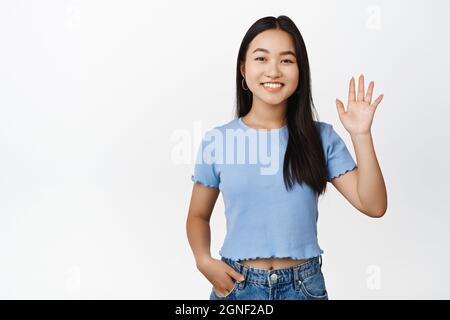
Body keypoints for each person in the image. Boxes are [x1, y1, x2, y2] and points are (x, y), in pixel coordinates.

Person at [186, 15, 387, 300]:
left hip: (303, 287)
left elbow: (374, 205)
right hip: (236, 286)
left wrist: (361, 135)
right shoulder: (218, 141)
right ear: (243, 70)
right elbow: (197, 215)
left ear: (300, 72)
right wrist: (204, 261)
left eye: (286, 60)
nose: (273, 71)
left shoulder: (320, 138)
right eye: (261, 59)